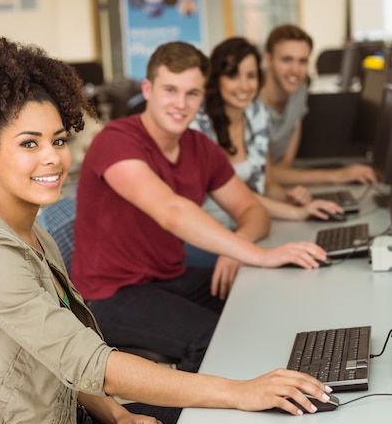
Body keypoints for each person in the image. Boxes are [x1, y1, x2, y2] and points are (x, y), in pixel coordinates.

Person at [0, 38, 336, 424]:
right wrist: (240, 391)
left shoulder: (33, 234)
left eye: (57, 140)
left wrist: (118, 412)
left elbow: (61, 363)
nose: (53, 158)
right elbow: (88, 359)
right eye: (29, 144)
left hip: (70, 419)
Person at [72, 40, 328, 371]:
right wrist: (259, 254)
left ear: (202, 97)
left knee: (263, 296)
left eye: (191, 93)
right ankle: (189, 421)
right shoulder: (116, 140)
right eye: (170, 90)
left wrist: (240, 246)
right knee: (212, 339)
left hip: (168, 278)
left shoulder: (200, 148)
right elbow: (171, 212)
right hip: (110, 295)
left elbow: (253, 211)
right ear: (148, 89)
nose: (181, 103)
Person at [189, 36, 344, 239]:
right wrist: (294, 213)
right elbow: (235, 195)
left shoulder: (256, 114)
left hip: (247, 226)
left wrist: (295, 200)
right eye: (233, 76)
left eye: (251, 75)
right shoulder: (198, 127)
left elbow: (267, 184)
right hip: (208, 234)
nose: (244, 86)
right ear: (217, 80)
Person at [259, 24, 377, 187]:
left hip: (276, 187)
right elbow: (262, 173)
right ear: (268, 59)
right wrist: (337, 176)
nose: (295, 70)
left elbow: (287, 162)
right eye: (287, 59)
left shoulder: (299, 91)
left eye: (303, 61)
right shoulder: (251, 103)